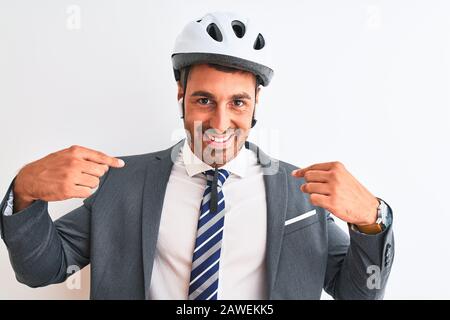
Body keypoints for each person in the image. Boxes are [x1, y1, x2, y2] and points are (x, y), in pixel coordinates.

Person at [0, 11, 393, 300]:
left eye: (237, 102)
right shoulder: (120, 181)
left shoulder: (303, 192)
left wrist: (373, 220)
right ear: (180, 96)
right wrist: (25, 194)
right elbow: (43, 270)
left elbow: (357, 293)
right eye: (204, 100)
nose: (219, 122)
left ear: (256, 102)